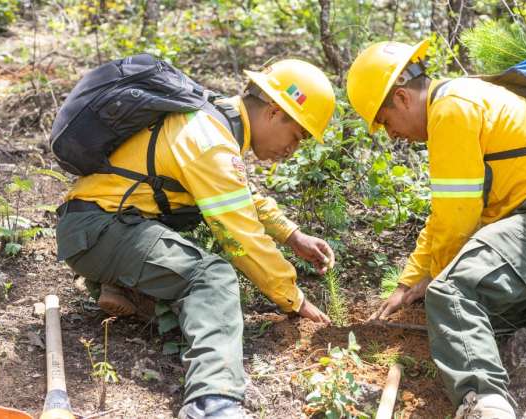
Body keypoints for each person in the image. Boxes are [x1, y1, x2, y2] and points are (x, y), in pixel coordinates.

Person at [346, 40, 526, 418]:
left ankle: (484, 402)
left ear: (402, 98)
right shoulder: (463, 100)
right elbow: (447, 215)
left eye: (385, 122)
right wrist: (408, 283)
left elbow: (456, 219)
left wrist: (437, 281)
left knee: (453, 292)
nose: (391, 134)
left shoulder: (452, 109)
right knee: (484, 312)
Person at [55, 59, 337, 419]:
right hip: (100, 228)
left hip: (104, 222)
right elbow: (241, 236)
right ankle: (213, 401)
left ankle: (116, 284)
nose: (291, 149)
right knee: (212, 277)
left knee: (190, 240)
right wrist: (293, 298)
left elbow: (240, 194)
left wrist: (291, 234)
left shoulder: (211, 119)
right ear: (273, 112)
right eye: (296, 135)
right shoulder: (210, 141)